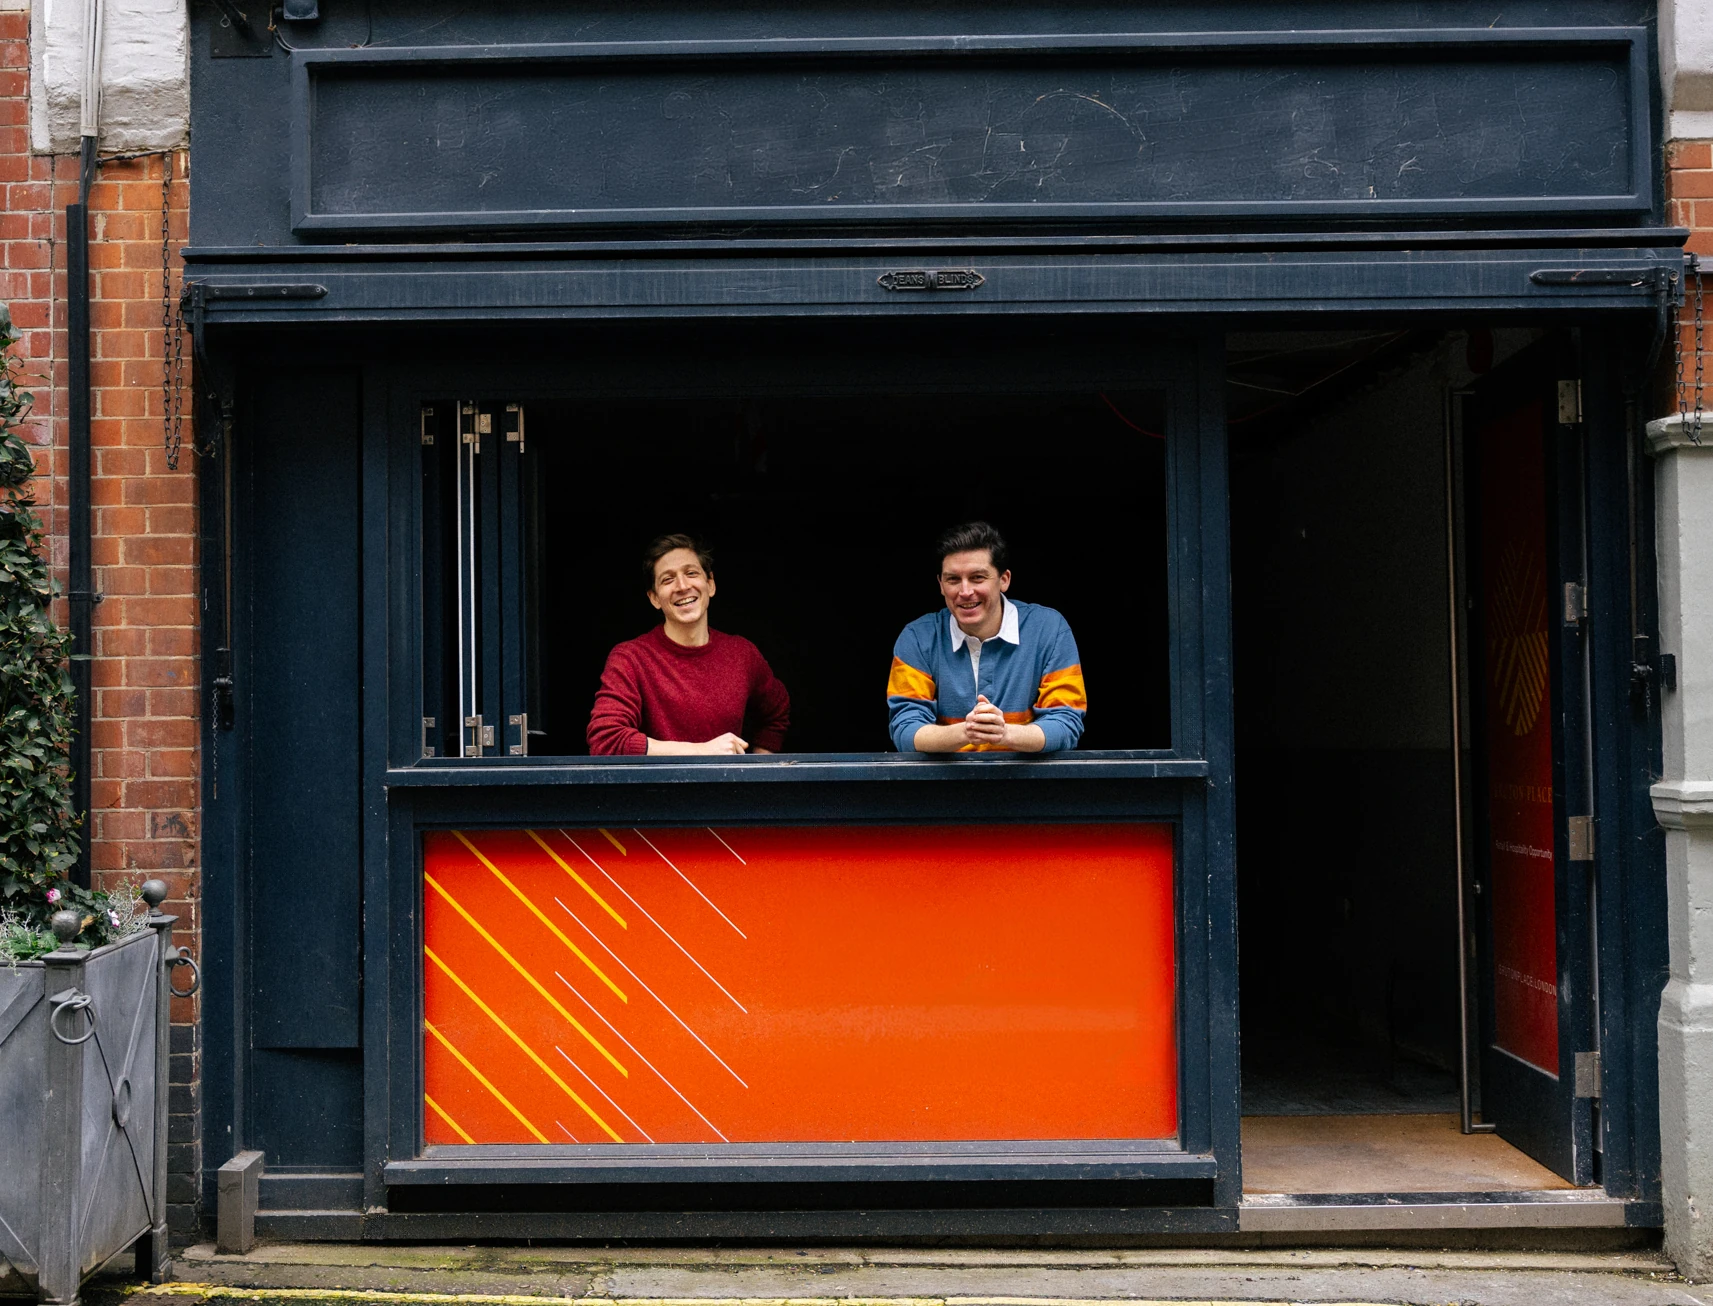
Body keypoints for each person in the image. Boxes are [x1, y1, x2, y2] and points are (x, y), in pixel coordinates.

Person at [887, 522, 1086, 753]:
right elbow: (905, 730)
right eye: (953, 579)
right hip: (944, 787)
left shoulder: (1048, 629)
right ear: (940, 585)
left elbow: (1066, 724)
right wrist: (967, 731)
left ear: (1004, 580)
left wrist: (1005, 733)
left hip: (1029, 785)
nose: (965, 591)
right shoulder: (917, 638)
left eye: (977, 577)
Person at [587, 534, 789, 756]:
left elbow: (776, 712)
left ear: (710, 584)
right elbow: (607, 740)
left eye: (691, 573)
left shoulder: (742, 654)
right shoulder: (631, 658)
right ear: (654, 598)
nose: (682, 586)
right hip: (657, 791)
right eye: (667, 579)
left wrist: (758, 771)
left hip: (728, 790)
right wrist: (702, 751)